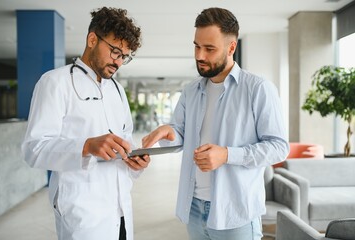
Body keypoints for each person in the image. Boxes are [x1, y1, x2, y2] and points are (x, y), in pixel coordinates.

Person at [142, 7, 289, 240]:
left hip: (235, 213)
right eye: (196, 46)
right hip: (194, 208)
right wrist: (169, 131)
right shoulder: (191, 90)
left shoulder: (258, 89)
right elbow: (180, 131)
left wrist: (227, 155)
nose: (200, 55)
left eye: (209, 49)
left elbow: (279, 147)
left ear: (232, 47)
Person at [22, 7, 150, 240]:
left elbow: (126, 138)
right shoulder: (55, 83)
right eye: (114, 51)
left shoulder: (117, 90)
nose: (118, 61)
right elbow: (34, 149)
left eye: (124, 56)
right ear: (92, 39)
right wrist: (87, 146)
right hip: (83, 214)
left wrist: (136, 160)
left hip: (121, 211)